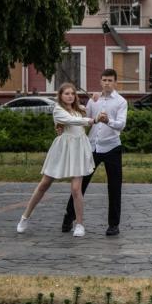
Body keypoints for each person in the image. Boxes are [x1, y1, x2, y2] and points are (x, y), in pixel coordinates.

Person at [17, 83, 94, 236]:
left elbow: (93, 108)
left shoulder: (80, 109)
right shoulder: (58, 110)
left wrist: (96, 98)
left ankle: (79, 224)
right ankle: (25, 217)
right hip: (62, 149)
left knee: (76, 189)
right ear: (60, 95)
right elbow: (72, 121)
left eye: (72, 93)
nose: (70, 96)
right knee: (44, 184)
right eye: (66, 93)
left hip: (78, 149)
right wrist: (90, 120)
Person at [61, 69, 128, 236]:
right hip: (92, 147)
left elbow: (121, 125)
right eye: (104, 80)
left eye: (110, 80)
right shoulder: (94, 100)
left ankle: (113, 224)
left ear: (115, 82)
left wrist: (108, 121)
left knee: (114, 187)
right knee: (80, 185)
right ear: (100, 81)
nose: (106, 83)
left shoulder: (121, 102)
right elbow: (84, 119)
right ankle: (68, 218)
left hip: (112, 147)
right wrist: (63, 125)